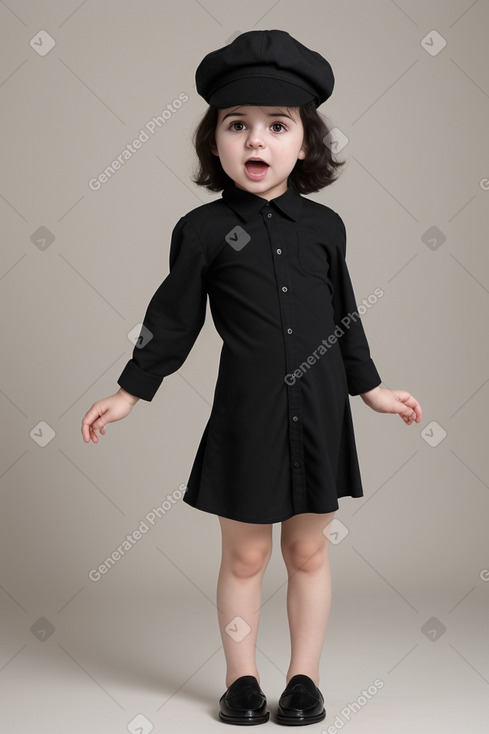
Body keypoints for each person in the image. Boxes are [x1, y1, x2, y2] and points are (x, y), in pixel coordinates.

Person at [81, 30, 422, 727]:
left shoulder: (325, 228)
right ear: (214, 142)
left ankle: (303, 679)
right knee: (243, 558)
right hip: (248, 415)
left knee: (306, 551)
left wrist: (372, 389)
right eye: (237, 126)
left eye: (277, 125)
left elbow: (345, 318)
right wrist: (129, 390)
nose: (255, 141)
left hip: (322, 411)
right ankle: (241, 680)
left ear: (305, 143)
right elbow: (170, 320)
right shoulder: (201, 231)